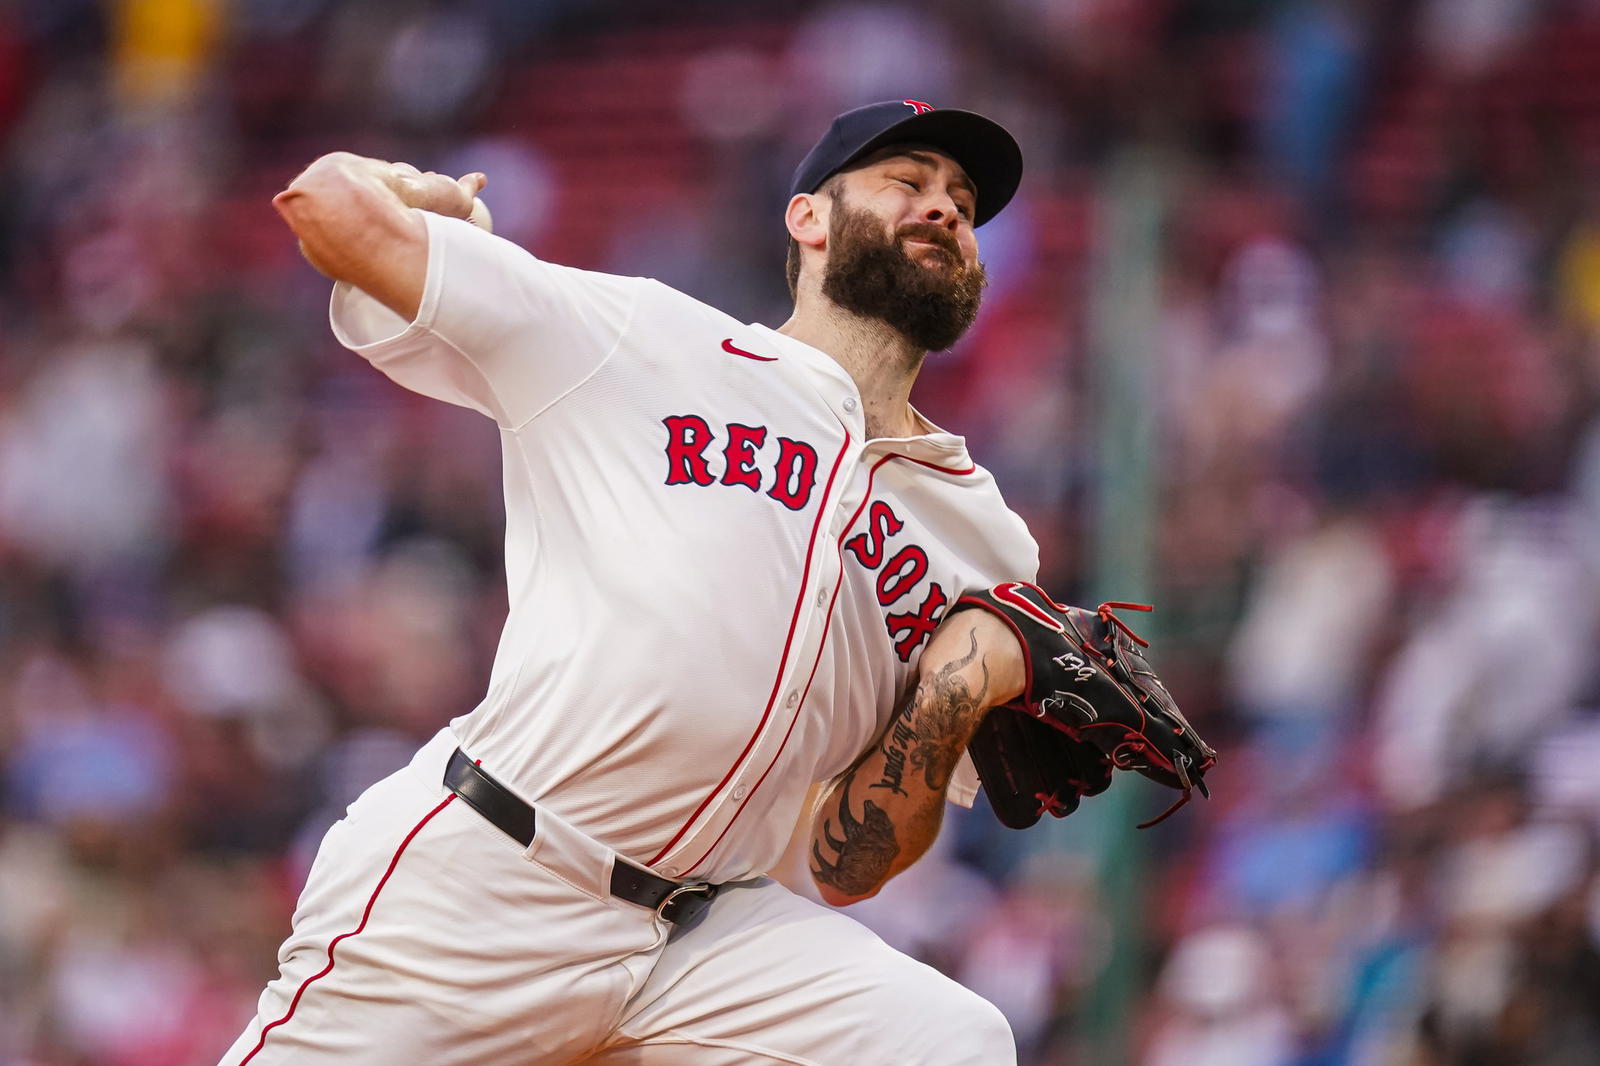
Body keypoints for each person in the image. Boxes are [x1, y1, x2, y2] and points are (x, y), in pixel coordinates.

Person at [222, 99, 1041, 1066]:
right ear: (808, 219)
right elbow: (326, 206)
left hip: (705, 944)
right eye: (908, 181)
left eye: (963, 199)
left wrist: (950, 702)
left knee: (946, 1042)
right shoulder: (647, 344)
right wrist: (423, 193)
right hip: (492, 877)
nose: (945, 206)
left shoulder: (983, 541)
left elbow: (844, 861)